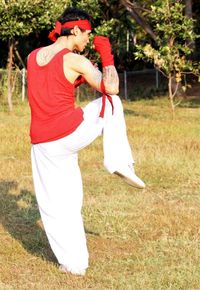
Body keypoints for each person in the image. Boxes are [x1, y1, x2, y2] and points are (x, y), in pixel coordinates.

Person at [27, 7, 145, 276]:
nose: (87, 41)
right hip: (69, 133)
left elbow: (50, 86)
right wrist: (107, 57)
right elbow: (111, 87)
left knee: (54, 205)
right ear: (76, 30)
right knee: (111, 101)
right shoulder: (75, 60)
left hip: (42, 143)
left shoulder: (32, 56)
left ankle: (74, 265)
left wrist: (76, 79)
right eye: (87, 35)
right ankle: (118, 161)